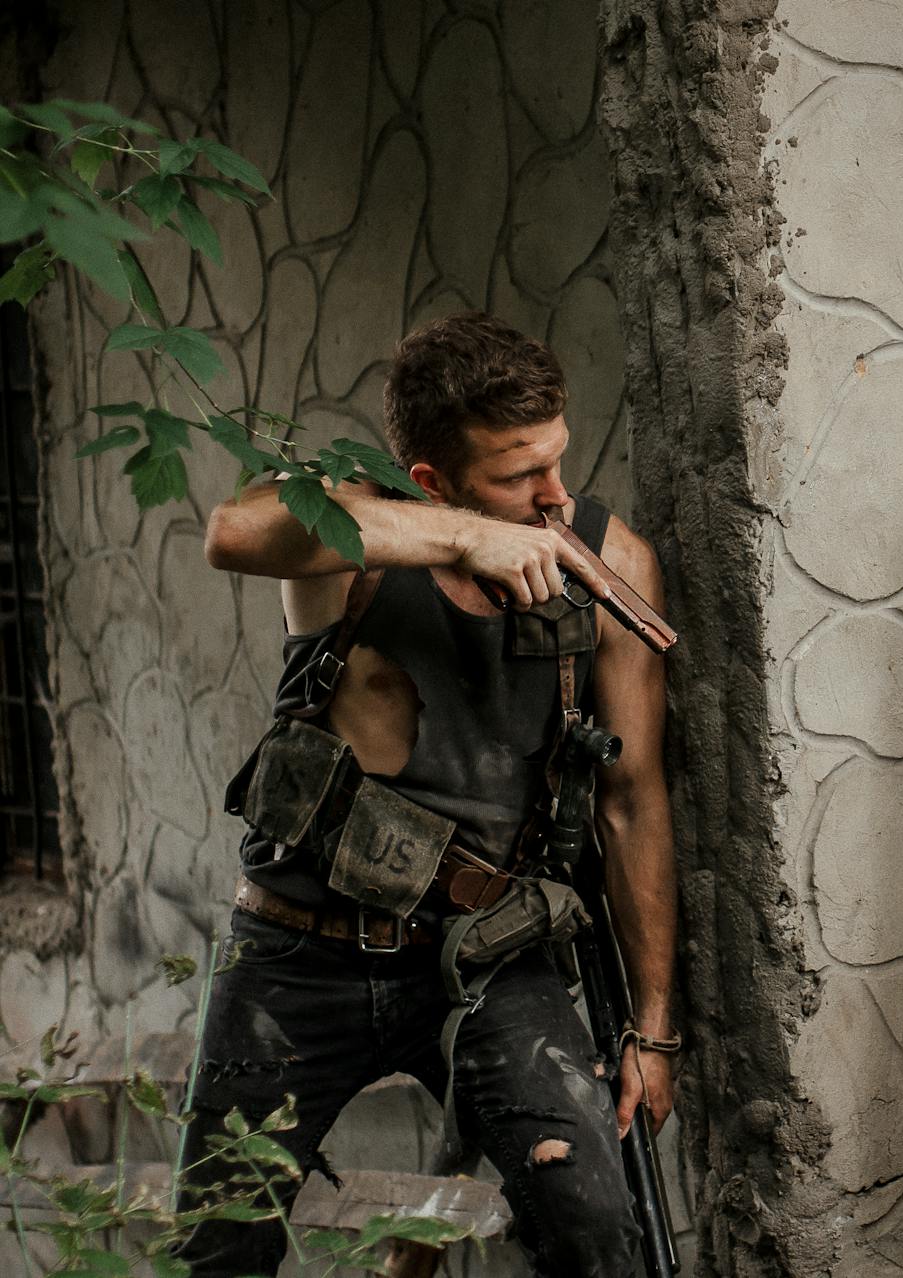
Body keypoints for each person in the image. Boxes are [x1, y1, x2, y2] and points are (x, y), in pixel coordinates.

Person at [180, 312, 675, 1277]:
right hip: (297, 954)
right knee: (214, 1249)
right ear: (435, 481)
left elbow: (632, 801)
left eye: (557, 460)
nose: (554, 496)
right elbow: (233, 531)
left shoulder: (608, 562)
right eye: (517, 477)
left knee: (596, 1229)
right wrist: (460, 540)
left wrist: (654, 1031)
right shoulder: (355, 532)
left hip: (490, 958)